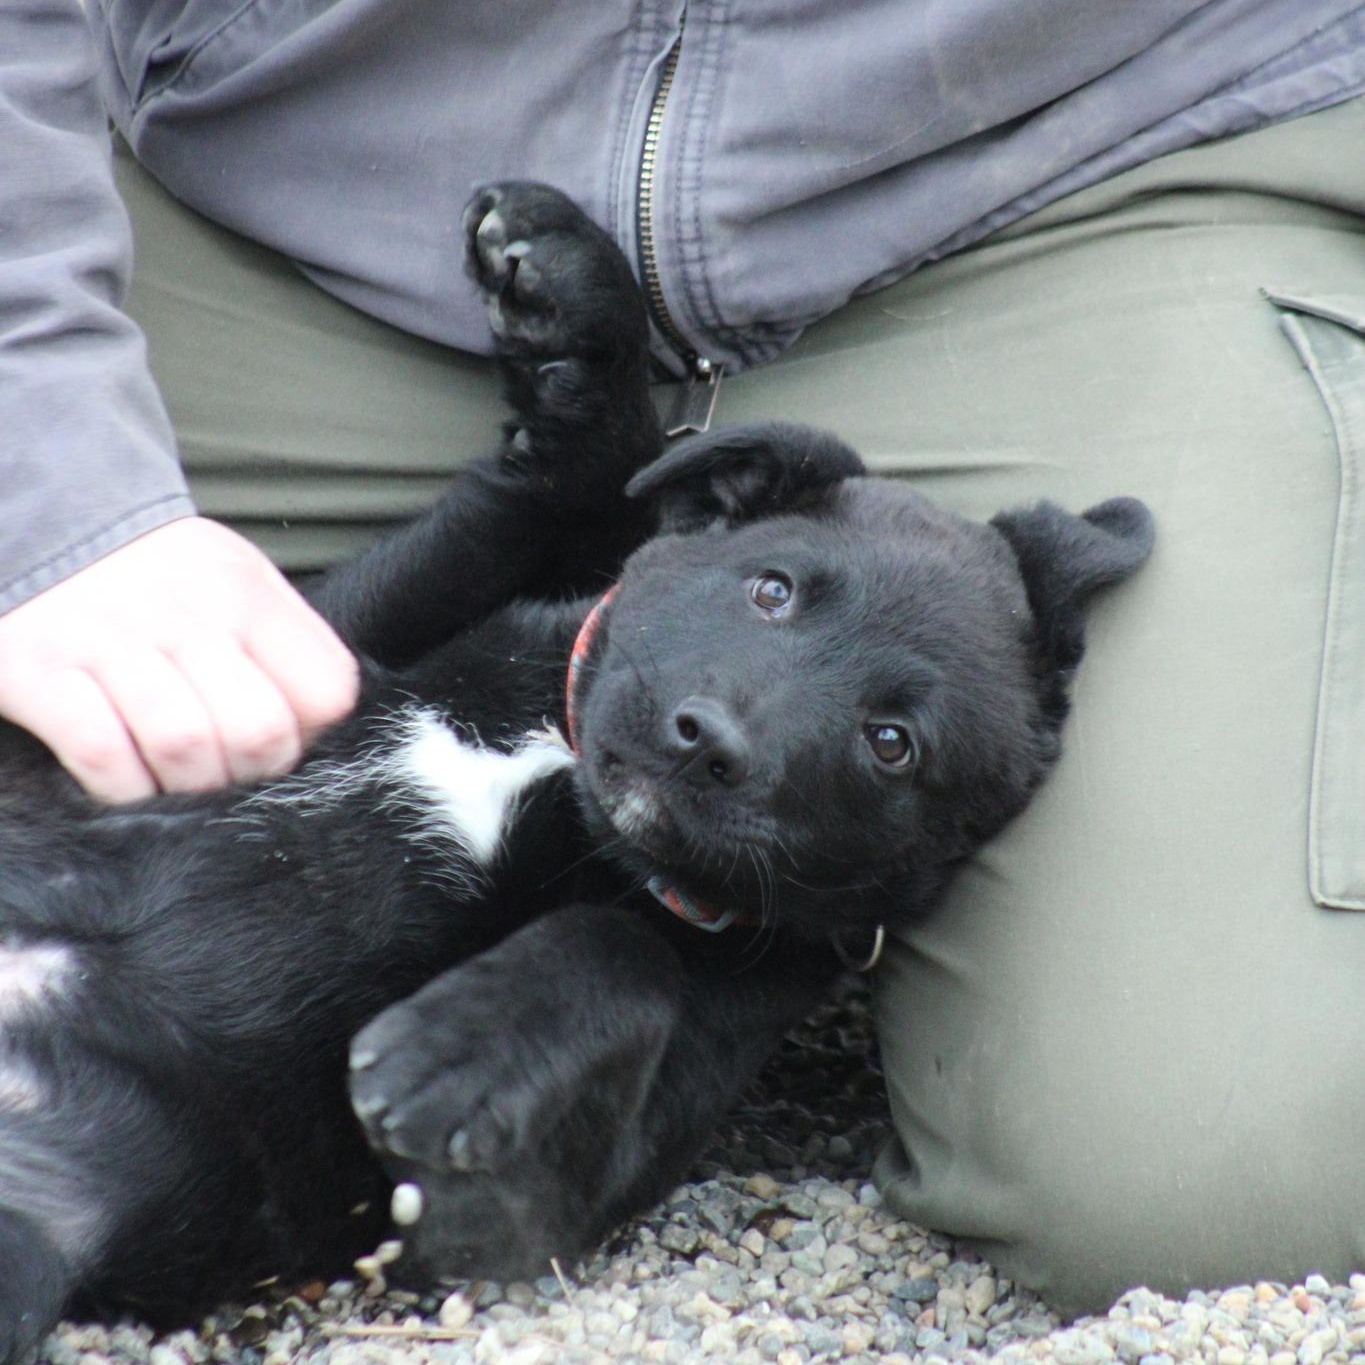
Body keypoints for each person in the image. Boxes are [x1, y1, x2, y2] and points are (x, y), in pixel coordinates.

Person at [4, 0, 1365, 1316]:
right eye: (768, 591)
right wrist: (55, 472)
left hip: (1076, 191)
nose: (725, 725)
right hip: (299, 169)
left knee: (1211, 1166)